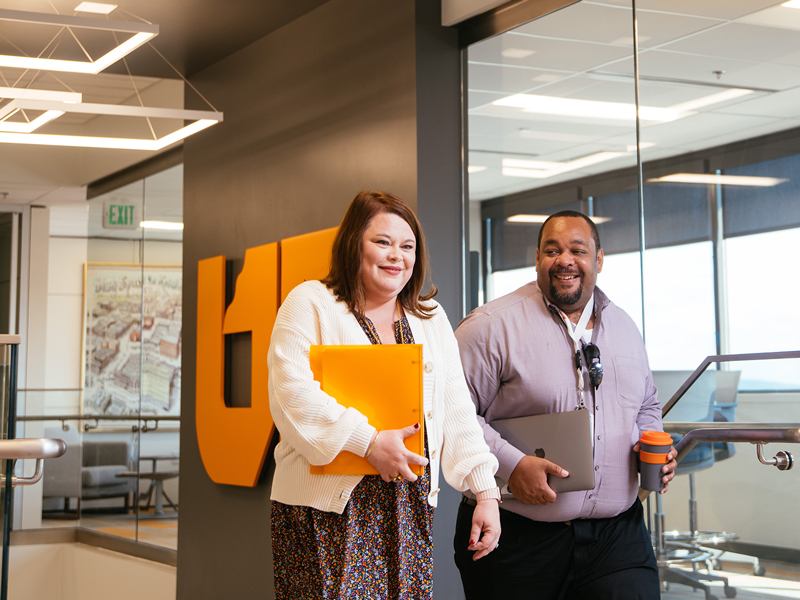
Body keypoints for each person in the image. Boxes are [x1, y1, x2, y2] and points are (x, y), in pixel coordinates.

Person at [267, 190, 502, 599]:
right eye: (383, 242)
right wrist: (369, 443)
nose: (397, 255)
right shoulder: (311, 303)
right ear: (353, 242)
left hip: (407, 509)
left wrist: (486, 492)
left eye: (407, 246)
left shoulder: (429, 318)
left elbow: (456, 410)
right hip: (327, 513)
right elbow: (293, 395)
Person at [453, 210, 677, 600]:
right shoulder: (490, 326)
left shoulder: (624, 326)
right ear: (538, 259)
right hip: (518, 537)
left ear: (599, 259)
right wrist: (512, 464)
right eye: (552, 250)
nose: (565, 260)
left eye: (578, 250)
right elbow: (450, 414)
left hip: (617, 535)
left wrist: (649, 445)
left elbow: (647, 403)